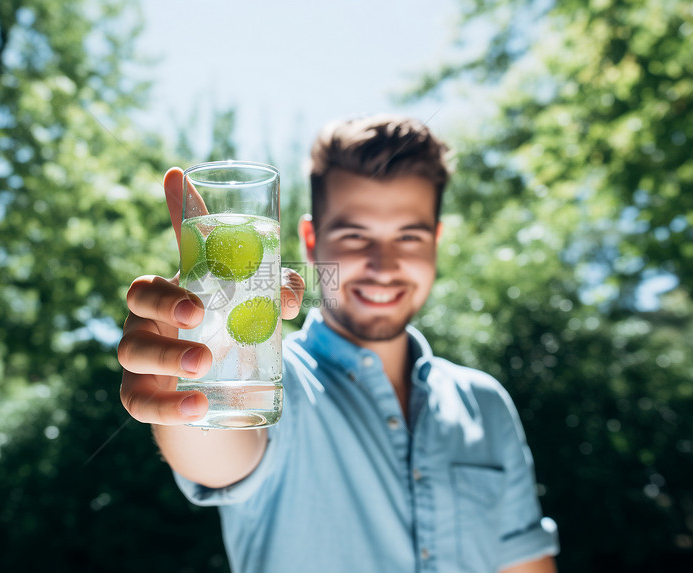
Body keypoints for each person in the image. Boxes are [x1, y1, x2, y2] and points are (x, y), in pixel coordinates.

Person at [117, 115, 560, 572]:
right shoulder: (272, 380)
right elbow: (221, 456)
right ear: (311, 241)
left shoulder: (486, 405)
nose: (383, 265)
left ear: (436, 242)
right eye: (355, 235)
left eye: (409, 236)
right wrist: (190, 374)